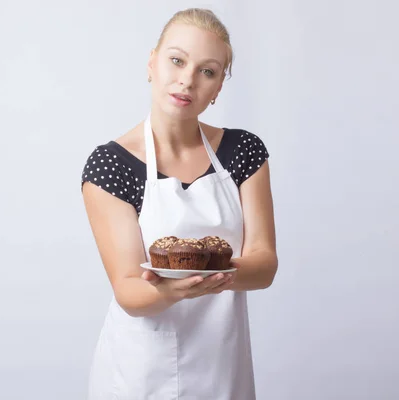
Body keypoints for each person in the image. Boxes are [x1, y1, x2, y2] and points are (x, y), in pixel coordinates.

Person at [81, 8, 278, 400]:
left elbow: (264, 263)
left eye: (208, 71)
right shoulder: (111, 165)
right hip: (141, 372)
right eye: (176, 60)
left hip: (223, 365)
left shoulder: (244, 152)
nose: (187, 80)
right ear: (151, 63)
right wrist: (174, 290)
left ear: (219, 87)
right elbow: (128, 290)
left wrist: (213, 269)